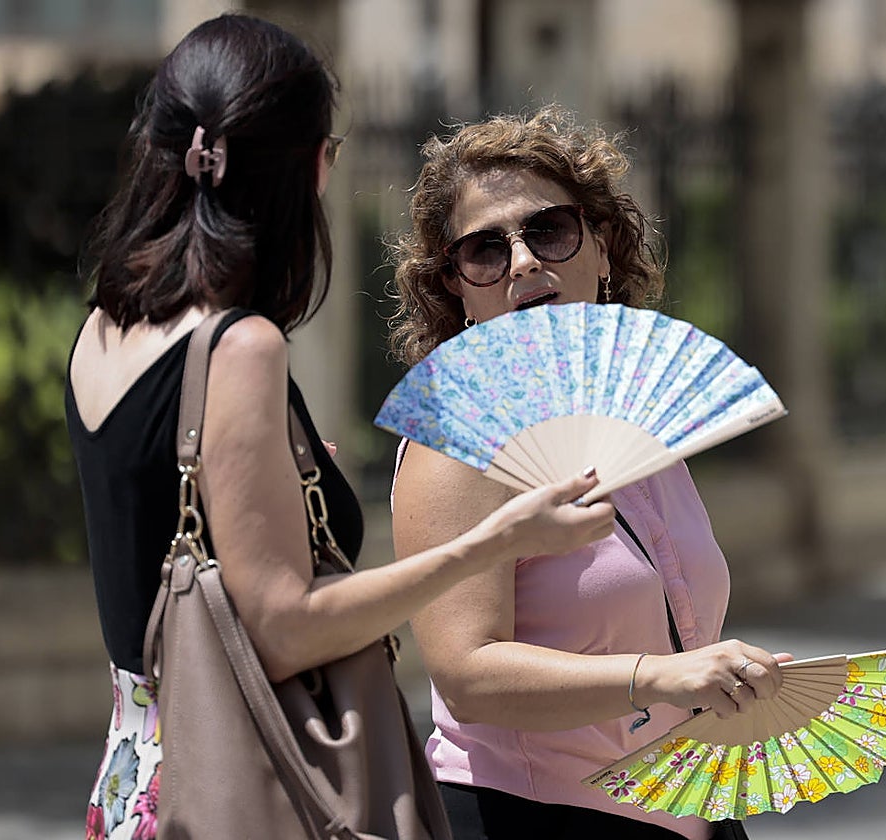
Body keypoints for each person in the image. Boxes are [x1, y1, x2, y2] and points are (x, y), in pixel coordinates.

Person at [66, 19, 614, 839]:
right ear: (310, 165)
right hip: (246, 777)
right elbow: (283, 630)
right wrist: (492, 542)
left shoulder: (106, 328)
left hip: (141, 772)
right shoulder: (238, 345)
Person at [387, 106, 792, 840]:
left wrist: (726, 681)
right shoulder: (460, 432)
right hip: (531, 818)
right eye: (484, 250)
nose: (522, 262)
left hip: (693, 810)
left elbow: (676, 635)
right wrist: (657, 677)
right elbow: (467, 674)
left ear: (603, 248)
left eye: (548, 230)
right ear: (456, 287)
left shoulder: (636, 416)